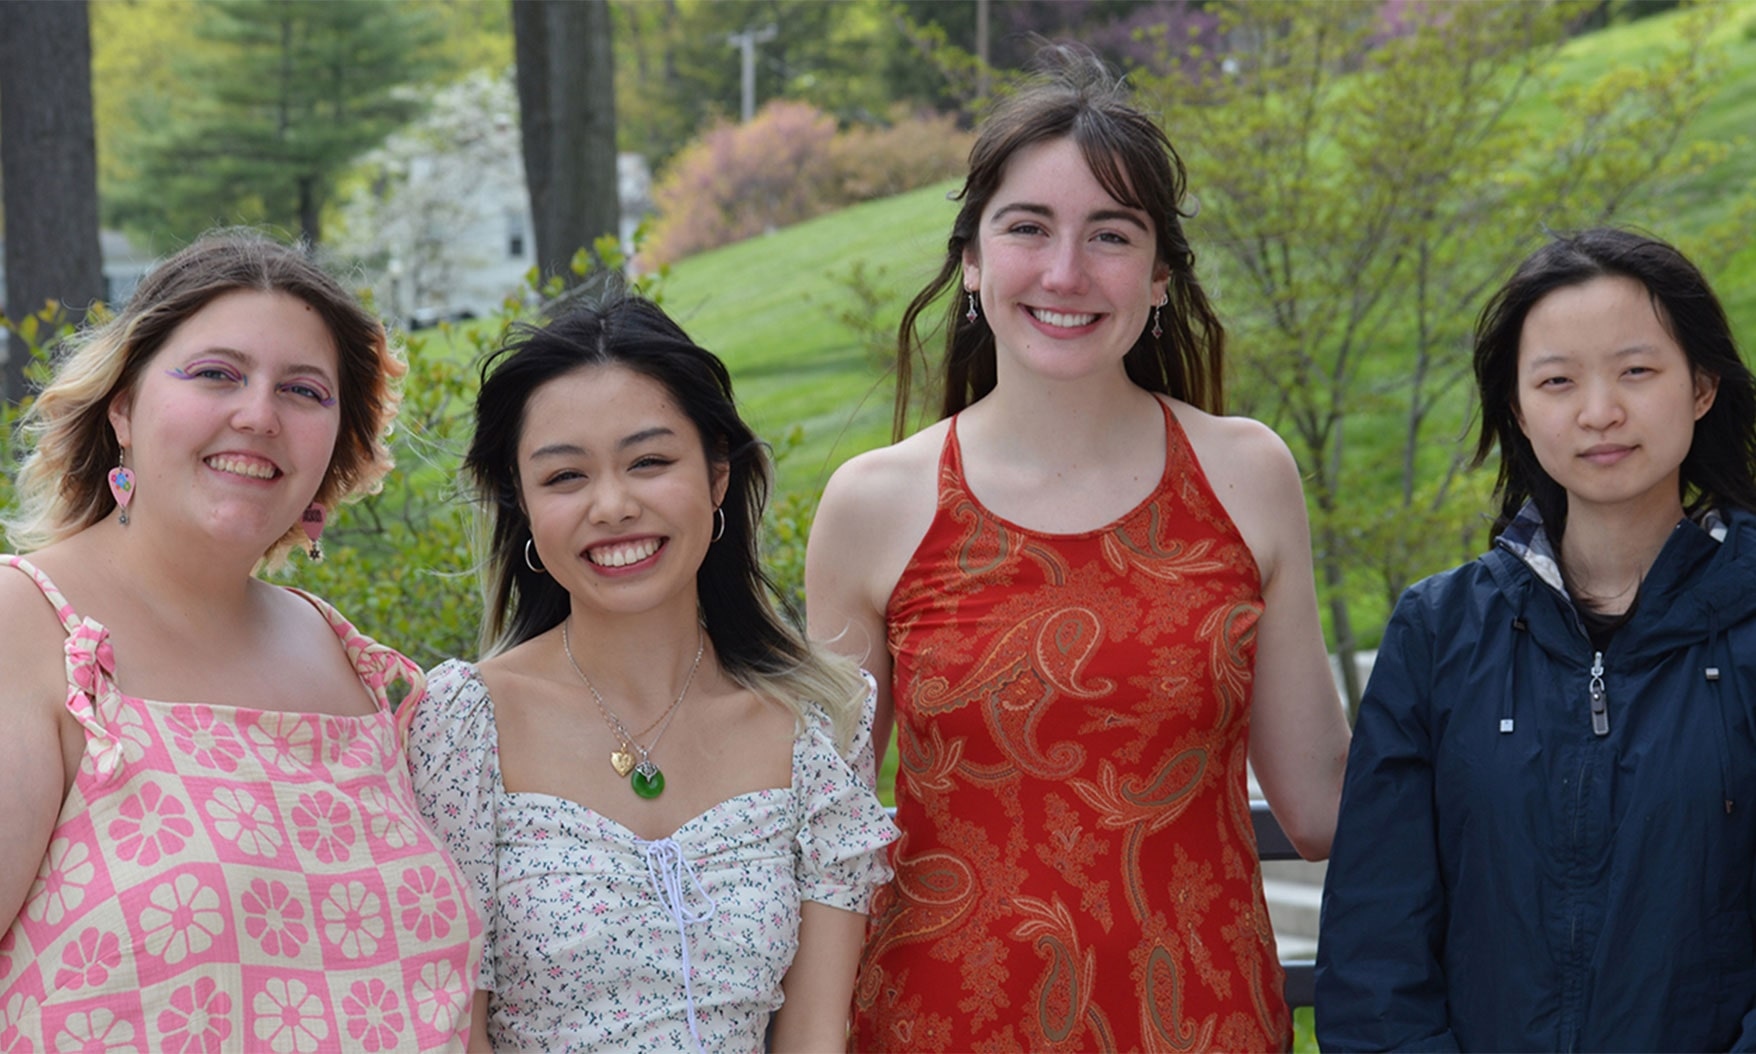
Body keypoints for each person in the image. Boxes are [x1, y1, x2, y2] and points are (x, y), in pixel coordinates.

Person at [805, 47, 1350, 1052]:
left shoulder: (1247, 474)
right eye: (1028, 229)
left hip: (1202, 1022)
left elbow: (1319, 804)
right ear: (972, 261)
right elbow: (822, 834)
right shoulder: (874, 504)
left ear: (1159, 279)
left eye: (1110, 234)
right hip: (936, 1024)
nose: (1065, 271)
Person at [0, 231, 482, 1052]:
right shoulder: (29, 625)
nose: (259, 415)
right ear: (123, 407)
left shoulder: (350, 661)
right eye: (217, 374)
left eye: (303, 391)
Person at [403, 288, 898, 1053]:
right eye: (566, 477)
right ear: (524, 506)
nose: (612, 505)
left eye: (650, 461)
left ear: (718, 477)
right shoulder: (462, 726)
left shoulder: (818, 720)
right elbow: (451, 1032)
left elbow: (813, 1032)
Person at [1315, 228, 1756, 1050]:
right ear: (1518, 409)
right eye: (1558, 381)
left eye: (1636, 371)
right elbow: (1376, 945)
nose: (1600, 413)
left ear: (1701, 386)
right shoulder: (1438, 633)